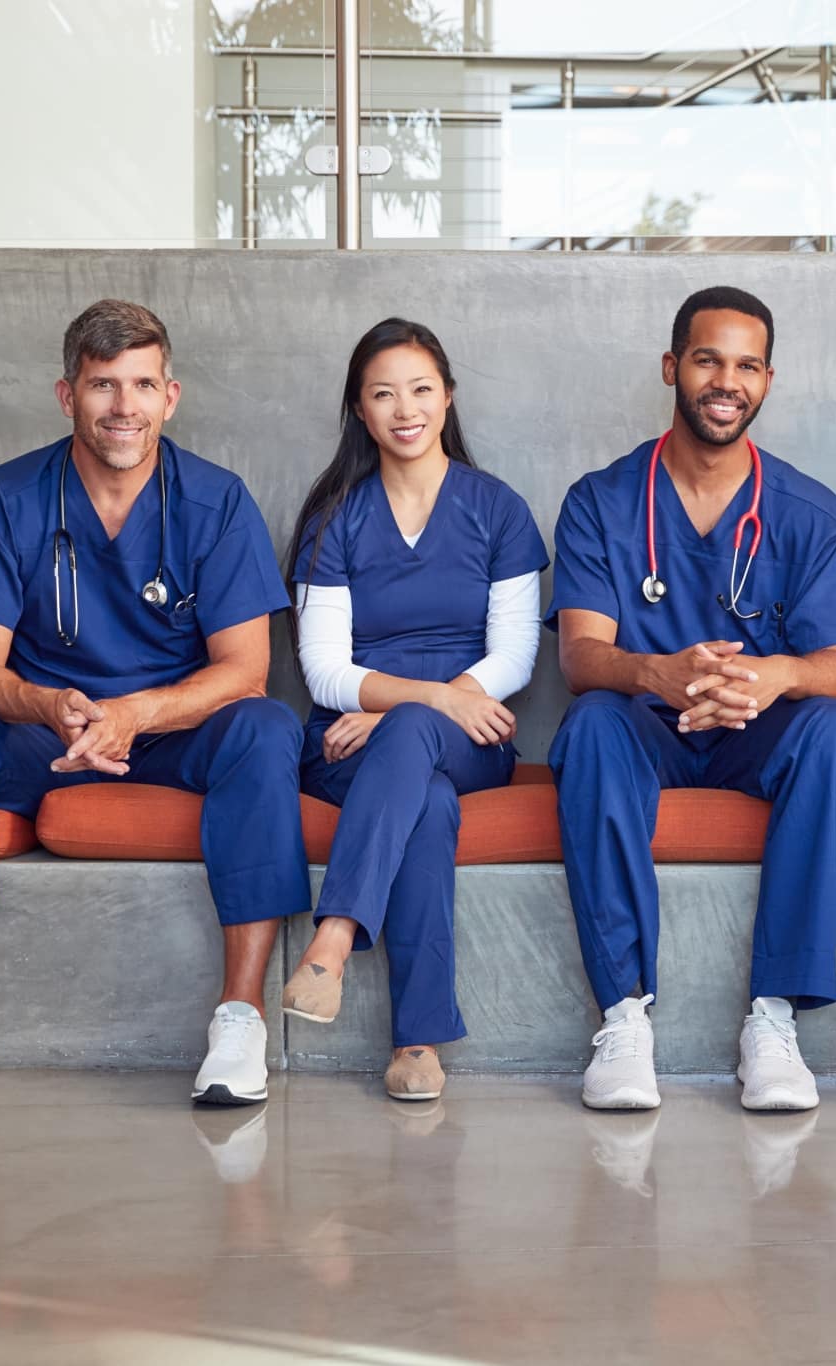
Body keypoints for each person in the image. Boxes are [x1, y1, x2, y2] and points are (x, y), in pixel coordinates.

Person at [0, 299, 308, 1108]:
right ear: (66, 395)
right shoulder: (8, 498)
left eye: (142, 384)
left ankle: (241, 1016)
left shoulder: (216, 502)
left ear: (171, 396)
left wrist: (136, 714)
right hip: (44, 729)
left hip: (169, 734)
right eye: (102, 385)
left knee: (265, 726)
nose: (124, 406)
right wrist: (46, 701)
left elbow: (245, 669)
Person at [547, 286, 836, 1114]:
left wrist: (775, 677)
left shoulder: (808, 511)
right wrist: (655, 672)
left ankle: (773, 1021)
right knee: (588, 724)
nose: (726, 381)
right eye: (707, 360)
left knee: (833, 730)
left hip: (754, 734)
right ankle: (623, 1018)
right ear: (672, 367)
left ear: (767, 380)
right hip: (644, 727)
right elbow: (582, 655)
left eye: (746, 365)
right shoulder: (601, 500)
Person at [285, 318, 548, 1103]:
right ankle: (418, 1043)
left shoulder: (497, 510)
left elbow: (515, 658)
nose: (406, 408)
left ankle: (333, 937)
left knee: (416, 744)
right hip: (349, 740)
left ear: (449, 399)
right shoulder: (334, 518)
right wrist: (422, 699)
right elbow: (324, 670)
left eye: (422, 389)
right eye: (384, 393)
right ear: (360, 411)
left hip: (472, 735)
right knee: (425, 805)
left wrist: (415, 708)